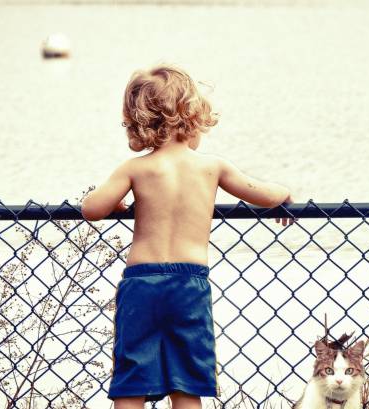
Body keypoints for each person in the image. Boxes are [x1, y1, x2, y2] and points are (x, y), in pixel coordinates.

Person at [81, 65, 293, 409]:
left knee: (131, 382)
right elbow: (265, 194)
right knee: (186, 383)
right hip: (188, 285)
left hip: (142, 282)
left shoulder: (135, 168)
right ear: (193, 119)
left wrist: (117, 203)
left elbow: (92, 208)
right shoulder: (213, 167)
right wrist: (285, 192)